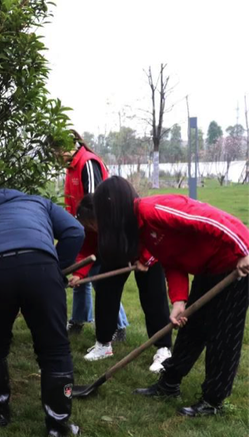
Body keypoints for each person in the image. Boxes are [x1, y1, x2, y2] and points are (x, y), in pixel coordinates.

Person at [93, 176, 249, 416]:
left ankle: (213, 400)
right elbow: (173, 262)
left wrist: (245, 249)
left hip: (234, 266)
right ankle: (169, 384)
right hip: (208, 270)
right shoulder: (142, 231)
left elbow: (212, 218)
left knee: (223, 335)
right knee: (191, 329)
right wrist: (178, 301)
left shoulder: (153, 210)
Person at [0, 188, 84, 437]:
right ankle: (57, 425)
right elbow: (75, 231)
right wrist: (59, 270)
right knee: (54, 348)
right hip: (40, 266)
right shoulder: (38, 202)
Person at [69, 195, 173, 370]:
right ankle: (103, 344)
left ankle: (163, 348)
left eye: (94, 223)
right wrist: (79, 273)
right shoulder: (92, 226)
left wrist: (145, 260)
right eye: (89, 225)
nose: (93, 228)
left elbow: (154, 235)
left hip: (147, 253)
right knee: (105, 294)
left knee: (154, 299)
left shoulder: (129, 215)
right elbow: (87, 247)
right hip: (114, 254)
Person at [64, 131, 130, 339]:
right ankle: (79, 319)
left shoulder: (88, 163)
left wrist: (88, 226)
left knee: (99, 278)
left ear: (71, 146)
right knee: (79, 274)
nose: (55, 155)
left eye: (57, 150)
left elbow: (94, 201)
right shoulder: (71, 167)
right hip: (82, 228)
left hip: (97, 229)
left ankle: (118, 325)